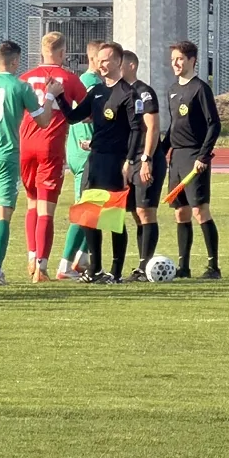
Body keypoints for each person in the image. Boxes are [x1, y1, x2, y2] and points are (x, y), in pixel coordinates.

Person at [54, 41, 155, 284]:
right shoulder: (97, 91)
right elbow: (74, 117)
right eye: (99, 60)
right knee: (88, 216)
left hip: (115, 162)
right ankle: (94, 269)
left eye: (106, 59)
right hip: (95, 161)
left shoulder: (128, 94)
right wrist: (59, 97)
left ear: (118, 62)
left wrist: (129, 161)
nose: (101, 64)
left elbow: (137, 130)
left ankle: (116, 272)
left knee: (113, 219)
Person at [0, 40, 59, 286]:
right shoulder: (20, 87)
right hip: (5, 155)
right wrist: (50, 95)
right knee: (2, 214)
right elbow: (43, 121)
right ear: (15, 61)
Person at [20, 32, 89, 283]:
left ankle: (31, 256)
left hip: (26, 145)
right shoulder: (69, 79)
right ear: (62, 52)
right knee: (46, 210)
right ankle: (41, 266)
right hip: (50, 147)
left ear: (41, 52)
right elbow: (86, 112)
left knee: (31, 204)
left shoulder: (25, 78)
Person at [166, 39, 222, 280]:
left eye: (180, 59)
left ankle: (213, 267)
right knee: (181, 212)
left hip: (194, 156)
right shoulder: (172, 89)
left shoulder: (200, 89)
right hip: (176, 157)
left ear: (192, 60)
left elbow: (214, 124)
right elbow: (173, 127)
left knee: (200, 210)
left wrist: (203, 155)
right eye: (173, 60)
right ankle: (183, 268)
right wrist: (159, 153)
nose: (175, 64)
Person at [57, 38, 107, 279]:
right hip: (86, 153)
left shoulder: (88, 81)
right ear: (93, 58)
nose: (107, 64)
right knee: (85, 208)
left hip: (84, 151)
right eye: (103, 59)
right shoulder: (91, 83)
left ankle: (82, 257)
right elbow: (88, 115)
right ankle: (65, 265)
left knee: (95, 208)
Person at [120, 49, 167, 281]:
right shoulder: (119, 92)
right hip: (128, 161)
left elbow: (153, 128)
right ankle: (142, 264)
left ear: (131, 66)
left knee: (145, 211)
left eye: (119, 63)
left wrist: (146, 159)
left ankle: (144, 267)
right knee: (135, 212)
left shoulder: (144, 92)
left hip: (145, 159)